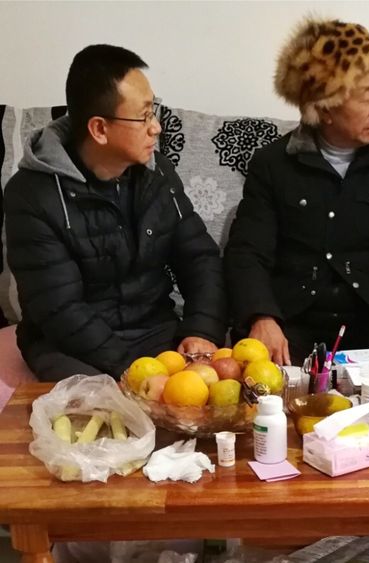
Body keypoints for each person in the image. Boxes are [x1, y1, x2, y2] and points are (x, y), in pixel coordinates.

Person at [224, 18, 369, 365]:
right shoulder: (273, 164)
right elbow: (248, 252)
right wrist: (261, 316)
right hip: (293, 325)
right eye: (365, 97)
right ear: (324, 106)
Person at [4, 45, 227, 381]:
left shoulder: (158, 173)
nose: (156, 128)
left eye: (154, 111)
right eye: (144, 116)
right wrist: (134, 374)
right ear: (99, 129)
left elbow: (199, 258)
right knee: (99, 406)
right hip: (71, 347)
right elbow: (61, 310)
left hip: (156, 331)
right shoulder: (32, 194)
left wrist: (201, 330)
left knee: (217, 390)